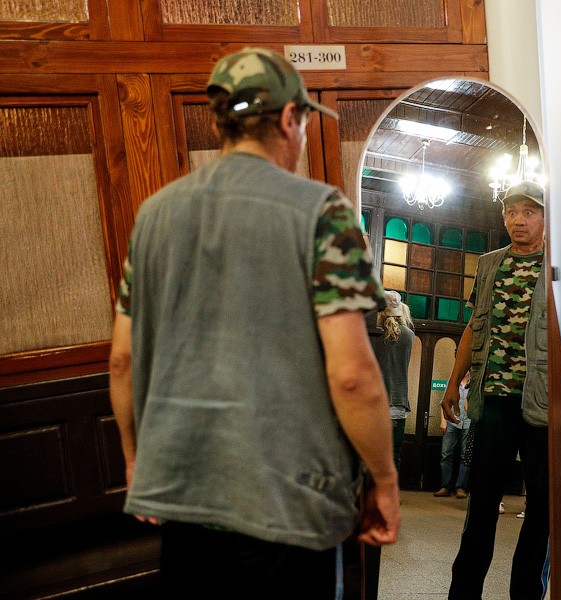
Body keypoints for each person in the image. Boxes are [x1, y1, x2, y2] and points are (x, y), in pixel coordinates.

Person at [108, 47, 400, 598]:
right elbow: (352, 377)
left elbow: (122, 359)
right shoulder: (323, 212)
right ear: (290, 119)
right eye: (305, 123)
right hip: (290, 504)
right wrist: (382, 478)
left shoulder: (153, 215)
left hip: (184, 492)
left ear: (222, 120)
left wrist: (135, 459)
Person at [440, 179, 549, 600]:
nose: (518, 220)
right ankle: (464, 593)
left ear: (545, 217)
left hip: (542, 402)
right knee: (481, 502)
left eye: (528, 212)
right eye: (511, 212)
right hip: (493, 399)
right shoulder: (489, 264)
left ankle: (526, 593)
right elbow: (474, 324)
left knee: (542, 506)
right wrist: (454, 382)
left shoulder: (559, 265)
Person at [372, 290, 415, 471]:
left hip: (375, 402)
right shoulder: (409, 335)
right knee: (394, 454)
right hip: (398, 403)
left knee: (372, 455)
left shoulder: (375, 334)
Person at [434, 371, 472, 498]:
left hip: (468, 423)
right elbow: (444, 402)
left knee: (465, 456)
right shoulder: (452, 382)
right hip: (451, 422)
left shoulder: (474, 383)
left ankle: (460, 487)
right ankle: (445, 486)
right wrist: (443, 421)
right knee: (446, 454)